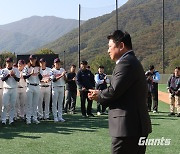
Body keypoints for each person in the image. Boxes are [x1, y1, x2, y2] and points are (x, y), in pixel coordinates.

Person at [88, 30, 152, 154]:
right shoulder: (132, 61)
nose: (108, 50)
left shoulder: (125, 63)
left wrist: (99, 95)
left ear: (121, 46)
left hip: (128, 128)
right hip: (134, 126)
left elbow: (114, 90)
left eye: (110, 47)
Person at [23, 55, 42, 124]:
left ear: (35, 59)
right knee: (29, 104)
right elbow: (24, 77)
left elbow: (41, 78)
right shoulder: (27, 67)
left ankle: (34, 118)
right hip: (30, 86)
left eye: (33, 59)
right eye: (31, 59)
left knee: (35, 104)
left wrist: (39, 73)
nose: (32, 60)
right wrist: (31, 73)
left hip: (37, 86)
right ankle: (28, 119)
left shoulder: (38, 67)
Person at [1, 58, 20, 125]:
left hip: (14, 89)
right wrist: (9, 75)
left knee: (12, 105)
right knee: (5, 105)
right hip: (6, 89)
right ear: (6, 63)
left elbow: (18, 79)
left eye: (10, 62)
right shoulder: (3, 70)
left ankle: (11, 120)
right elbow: (3, 79)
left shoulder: (16, 70)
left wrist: (14, 75)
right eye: (7, 62)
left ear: (12, 63)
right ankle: (3, 120)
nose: (8, 63)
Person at [50, 58, 66, 122]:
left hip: (62, 87)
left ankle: (60, 117)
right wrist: (61, 75)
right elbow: (53, 80)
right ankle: (55, 117)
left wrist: (64, 75)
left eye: (59, 63)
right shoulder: (52, 71)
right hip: (55, 87)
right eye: (56, 63)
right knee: (54, 103)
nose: (58, 64)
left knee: (60, 103)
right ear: (54, 64)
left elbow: (66, 80)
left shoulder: (62, 70)